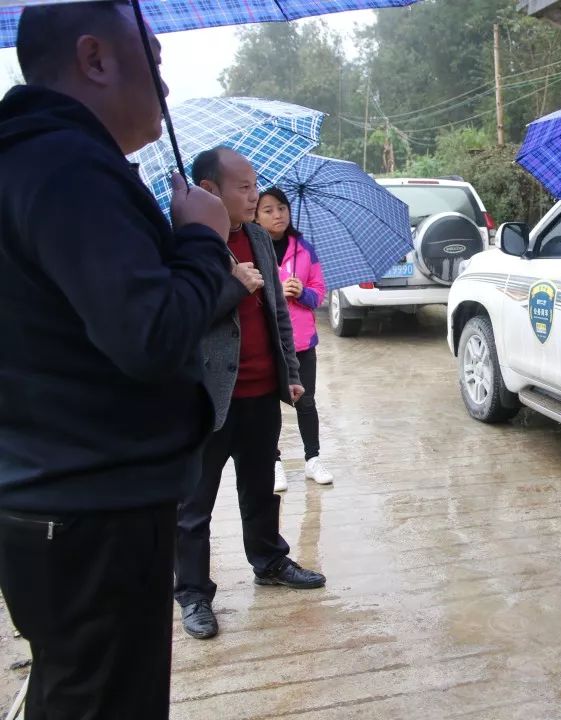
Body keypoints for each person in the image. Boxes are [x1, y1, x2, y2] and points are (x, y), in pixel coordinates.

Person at [0, 3, 234, 717]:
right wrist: (202, 240)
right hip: (93, 508)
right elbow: (151, 334)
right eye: (155, 59)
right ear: (95, 59)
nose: (163, 82)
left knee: (75, 689)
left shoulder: (30, 159)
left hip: (51, 491)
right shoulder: (65, 164)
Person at [175, 147, 327, 641]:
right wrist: (231, 286)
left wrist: (289, 373)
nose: (256, 195)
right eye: (244, 187)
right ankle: (194, 592)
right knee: (194, 505)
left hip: (261, 394)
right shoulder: (183, 243)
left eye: (255, 184)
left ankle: (269, 561)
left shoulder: (258, 236)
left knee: (261, 488)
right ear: (210, 191)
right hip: (207, 401)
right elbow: (177, 320)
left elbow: (276, 315)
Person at [256, 188, 334, 491]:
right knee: (269, 406)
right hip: (267, 342)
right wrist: (274, 287)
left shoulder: (305, 249)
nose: (277, 215)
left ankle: (312, 459)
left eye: (282, 208)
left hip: (302, 342)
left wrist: (302, 292)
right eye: (268, 210)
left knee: (306, 402)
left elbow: (319, 293)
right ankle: (273, 462)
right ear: (256, 215)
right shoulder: (252, 248)